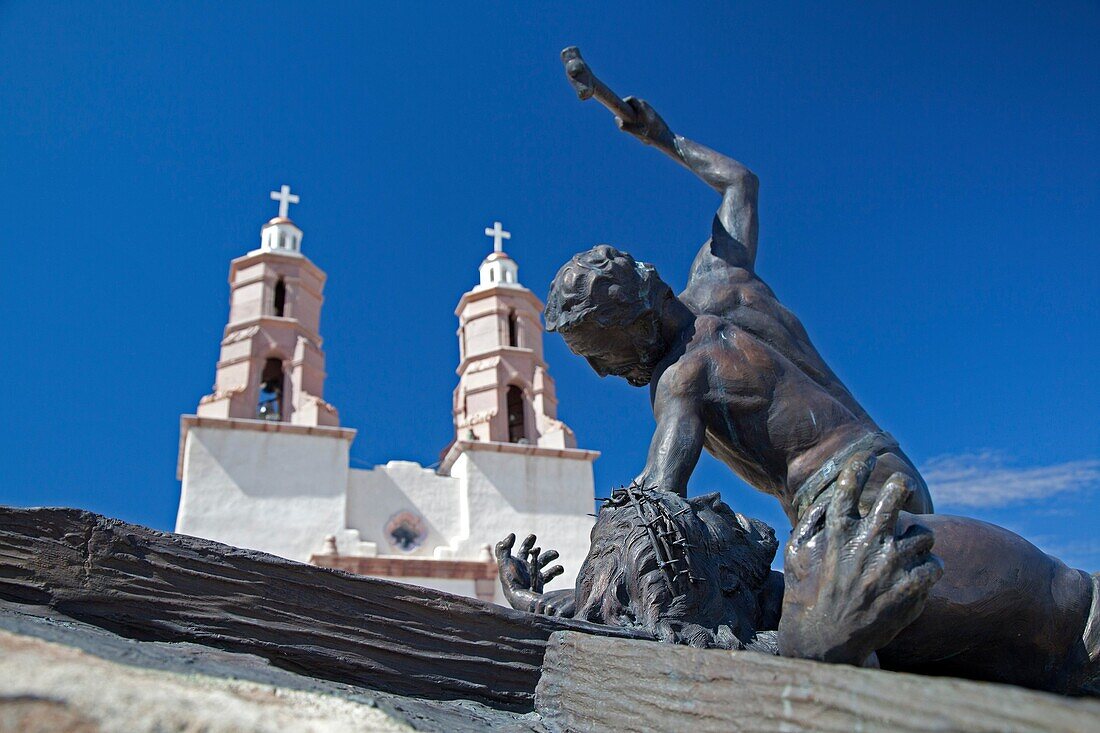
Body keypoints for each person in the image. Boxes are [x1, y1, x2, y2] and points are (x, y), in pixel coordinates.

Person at [545, 97, 932, 524]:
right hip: (890, 464)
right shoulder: (721, 276)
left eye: (598, 353)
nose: (602, 371)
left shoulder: (679, 377)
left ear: (630, 324)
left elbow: (655, 501)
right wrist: (661, 136)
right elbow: (739, 183)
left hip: (842, 498)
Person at [496, 455, 1100, 696]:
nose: (709, 497)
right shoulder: (822, 568)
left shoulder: (770, 613)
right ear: (726, 582)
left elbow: (645, 621)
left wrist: (536, 603)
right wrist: (824, 651)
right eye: (697, 516)